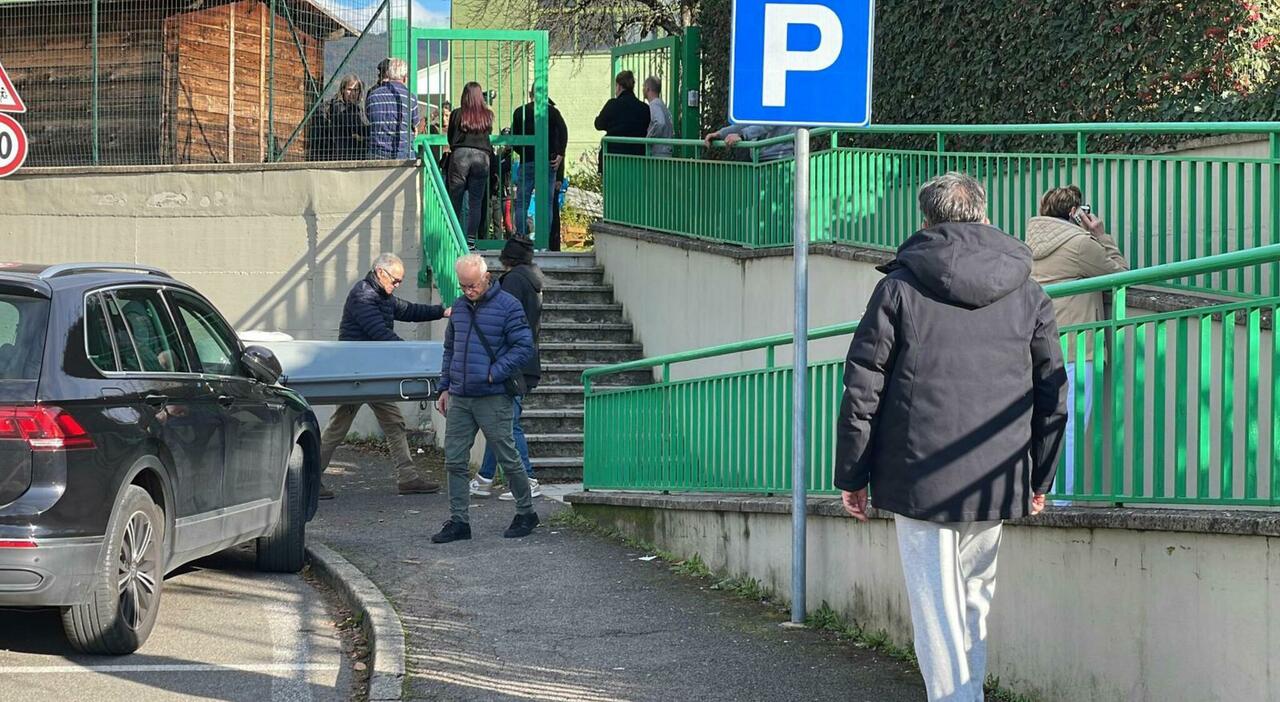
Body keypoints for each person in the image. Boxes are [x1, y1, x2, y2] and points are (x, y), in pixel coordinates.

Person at [834, 172, 1067, 701]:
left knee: (936, 614)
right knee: (973, 605)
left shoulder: (899, 287)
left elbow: (863, 385)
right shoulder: (1027, 290)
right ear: (983, 214)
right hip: (997, 472)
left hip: (919, 476)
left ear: (926, 221)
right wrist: (1040, 477)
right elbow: (1052, 391)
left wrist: (852, 473)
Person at [1025, 185, 1128, 503]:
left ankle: (1034, 496)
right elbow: (1120, 273)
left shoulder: (1026, 247)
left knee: (1039, 425)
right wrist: (1101, 235)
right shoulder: (1080, 244)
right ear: (1074, 212)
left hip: (1036, 347)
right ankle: (1060, 502)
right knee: (1069, 428)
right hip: (1077, 347)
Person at [318, 253, 450, 499]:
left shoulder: (381, 295)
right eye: (395, 280)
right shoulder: (363, 296)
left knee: (392, 423)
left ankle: (408, 477)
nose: (397, 285)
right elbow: (380, 333)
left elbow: (409, 310)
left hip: (371, 372)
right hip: (356, 374)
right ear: (380, 273)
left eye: (400, 281)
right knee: (339, 426)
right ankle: (309, 479)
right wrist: (414, 356)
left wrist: (442, 312)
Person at [432, 254, 538, 543]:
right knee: (454, 460)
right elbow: (450, 349)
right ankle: (459, 522)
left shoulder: (508, 305)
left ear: (486, 278)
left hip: (493, 396)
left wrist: (494, 373)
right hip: (460, 395)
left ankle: (526, 512)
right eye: (463, 286)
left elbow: (524, 347)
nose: (468, 291)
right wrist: (444, 387)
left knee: (508, 457)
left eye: (473, 285)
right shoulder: (460, 307)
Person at [471, 238, 543, 501]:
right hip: (526, 361)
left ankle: (527, 480)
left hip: (511, 364)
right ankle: (484, 478)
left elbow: (501, 321)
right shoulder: (532, 281)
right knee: (501, 423)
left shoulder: (512, 282)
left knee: (508, 425)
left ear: (505, 258)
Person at [511, 85, 569, 246]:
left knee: (522, 202)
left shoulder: (520, 112)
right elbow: (563, 133)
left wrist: (524, 152)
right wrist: (560, 154)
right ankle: (544, 241)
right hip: (548, 162)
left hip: (527, 161)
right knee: (547, 203)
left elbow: (514, 139)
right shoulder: (552, 112)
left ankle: (521, 239)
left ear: (530, 94)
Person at [446, 82, 495, 249]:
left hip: (460, 155)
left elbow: (450, 137)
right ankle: (471, 241)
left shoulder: (457, 114)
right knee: (476, 202)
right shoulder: (487, 115)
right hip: (482, 156)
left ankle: (454, 238)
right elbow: (488, 133)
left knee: (455, 199)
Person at [365, 57, 422, 160]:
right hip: (403, 153)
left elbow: (370, 117)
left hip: (377, 153)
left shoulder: (373, 95)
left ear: (389, 74)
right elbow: (415, 126)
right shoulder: (410, 98)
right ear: (405, 78)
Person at [593, 70, 650, 171]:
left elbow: (599, 124)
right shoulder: (644, 108)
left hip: (612, 159)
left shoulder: (612, 105)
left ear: (619, 86)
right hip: (637, 160)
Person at [317, 74, 369, 160]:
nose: (352, 93)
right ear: (343, 90)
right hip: (340, 155)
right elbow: (356, 126)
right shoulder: (338, 107)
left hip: (351, 154)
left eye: (356, 90)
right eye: (349, 89)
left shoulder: (356, 109)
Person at [703, 123, 797, 162]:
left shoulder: (783, 96)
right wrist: (720, 134)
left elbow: (769, 123)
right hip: (759, 159)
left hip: (779, 160)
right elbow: (748, 122)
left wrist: (742, 135)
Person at [643, 76, 674, 158]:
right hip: (666, 150)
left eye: (644, 87)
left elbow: (660, 123)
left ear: (647, 89)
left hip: (658, 152)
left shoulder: (654, 105)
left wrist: (649, 138)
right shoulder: (662, 105)